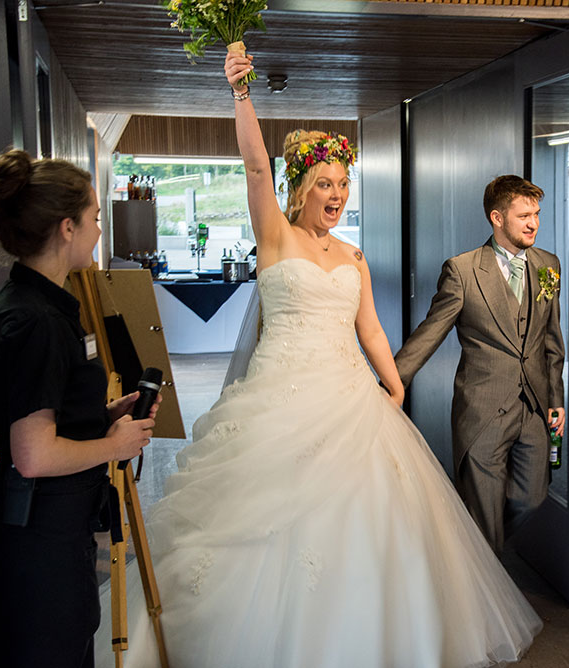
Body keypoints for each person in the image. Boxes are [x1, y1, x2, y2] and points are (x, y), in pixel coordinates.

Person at [93, 49, 541, 668]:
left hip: (352, 399)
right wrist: (241, 93)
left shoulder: (353, 257)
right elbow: (255, 167)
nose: (336, 195)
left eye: (343, 184)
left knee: (371, 522)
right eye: (325, 184)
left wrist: (395, 384)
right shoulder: (275, 237)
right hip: (279, 398)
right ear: (302, 189)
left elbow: (372, 330)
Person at [0, 149, 158, 668]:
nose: (99, 231)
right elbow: (34, 454)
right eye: (95, 218)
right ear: (67, 227)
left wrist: (105, 417)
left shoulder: (34, 304)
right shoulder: (37, 321)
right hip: (39, 541)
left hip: (44, 530)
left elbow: (44, 413)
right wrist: (114, 446)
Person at [394, 175, 566, 553]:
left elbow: (551, 340)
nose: (534, 224)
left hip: (534, 408)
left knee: (532, 498)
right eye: (524, 216)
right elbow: (430, 333)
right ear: (497, 218)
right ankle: (485, 576)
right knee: (485, 520)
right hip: (483, 410)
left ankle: (469, 548)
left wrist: (556, 399)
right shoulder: (463, 270)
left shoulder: (548, 265)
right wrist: (392, 382)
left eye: (536, 214)